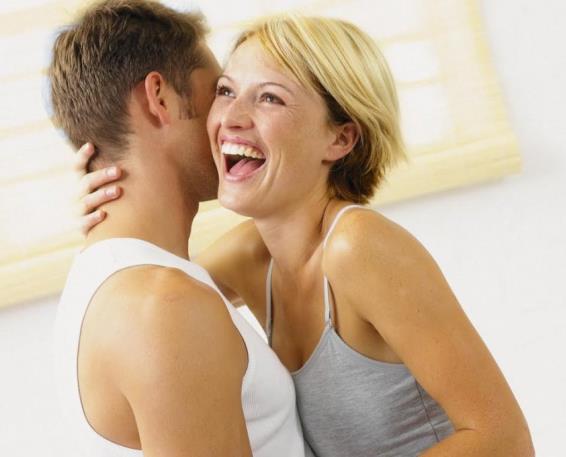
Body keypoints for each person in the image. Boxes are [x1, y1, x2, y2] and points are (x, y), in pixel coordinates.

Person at [78, 13, 535, 457]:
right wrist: (112, 210)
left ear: (340, 139)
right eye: (226, 91)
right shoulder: (251, 256)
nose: (232, 117)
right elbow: (151, 307)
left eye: (269, 98)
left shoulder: (359, 247)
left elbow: (504, 440)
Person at [50, 2, 306, 456]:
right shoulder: (164, 305)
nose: (232, 119)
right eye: (220, 92)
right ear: (160, 98)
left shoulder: (128, 280)